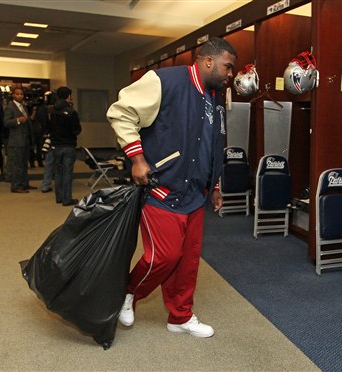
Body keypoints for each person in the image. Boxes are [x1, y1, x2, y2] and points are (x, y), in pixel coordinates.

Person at [107, 37, 237, 338]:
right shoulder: (163, 81)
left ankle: (180, 316)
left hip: (196, 193)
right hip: (162, 189)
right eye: (227, 66)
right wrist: (137, 159)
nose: (231, 73)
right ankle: (129, 292)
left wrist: (214, 184)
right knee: (163, 256)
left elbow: (214, 144)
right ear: (208, 61)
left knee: (188, 260)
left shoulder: (215, 96)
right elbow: (121, 113)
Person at [48, 86, 82, 206]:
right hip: (68, 144)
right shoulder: (71, 111)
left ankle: (59, 197)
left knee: (58, 172)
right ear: (68, 96)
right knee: (67, 172)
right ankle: (67, 198)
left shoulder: (52, 111)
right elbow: (77, 129)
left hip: (56, 144)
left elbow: (49, 127)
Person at [4, 87, 36, 193]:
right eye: (18, 94)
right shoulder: (10, 107)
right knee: (17, 165)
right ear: (13, 95)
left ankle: (24, 184)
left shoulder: (23, 106)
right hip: (16, 140)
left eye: (21, 94)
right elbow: (6, 122)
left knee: (24, 164)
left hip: (25, 139)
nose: (20, 96)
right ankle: (16, 186)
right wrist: (18, 120)